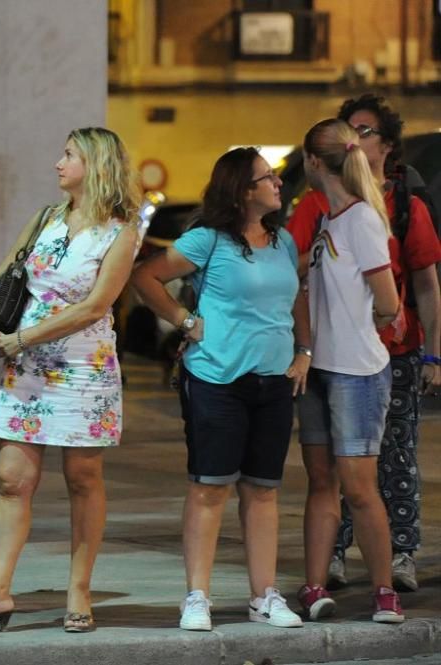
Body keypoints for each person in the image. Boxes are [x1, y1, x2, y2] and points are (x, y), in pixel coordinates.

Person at [0, 127, 140, 635]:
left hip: (84, 368)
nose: (58, 163)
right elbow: (8, 272)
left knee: (83, 480)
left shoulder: (121, 231)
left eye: (69, 155)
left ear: (96, 166)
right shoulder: (46, 219)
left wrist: (22, 338)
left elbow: (96, 306)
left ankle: (79, 590)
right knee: (13, 479)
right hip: (28, 368)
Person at [131, 148, 308, 631]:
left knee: (264, 490)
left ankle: (263, 595)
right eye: (267, 178)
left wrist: (304, 351)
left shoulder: (284, 242)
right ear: (243, 190)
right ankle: (197, 596)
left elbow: (297, 300)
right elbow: (145, 277)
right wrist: (186, 321)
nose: (278, 183)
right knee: (210, 488)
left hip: (273, 381)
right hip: (216, 378)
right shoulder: (207, 240)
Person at [288, 95, 441, 594]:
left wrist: (412, 341)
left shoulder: (382, 213)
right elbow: (299, 276)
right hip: (324, 364)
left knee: (377, 474)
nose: (358, 138)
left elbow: (406, 292)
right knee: (328, 480)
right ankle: (325, 572)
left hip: (369, 363)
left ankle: (390, 574)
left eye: (366, 130)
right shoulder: (321, 213)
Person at [292, 118, 404, 624]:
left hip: (357, 372)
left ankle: (385, 592)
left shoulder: (360, 220)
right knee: (321, 481)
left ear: (315, 161)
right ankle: (314, 586)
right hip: (319, 370)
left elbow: (388, 299)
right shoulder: (327, 221)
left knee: (360, 487)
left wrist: (378, 322)